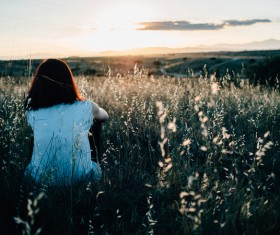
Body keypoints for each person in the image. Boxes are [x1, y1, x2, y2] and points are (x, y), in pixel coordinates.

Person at [24, 59, 108, 186]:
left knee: (36, 132)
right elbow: (104, 117)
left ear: (38, 83)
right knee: (95, 124)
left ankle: (40, 167)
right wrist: (92, 111)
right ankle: (92, 166)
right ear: (69, 80)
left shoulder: (32, 111)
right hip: (81, 178)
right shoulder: (86, 106)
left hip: (40, 179)